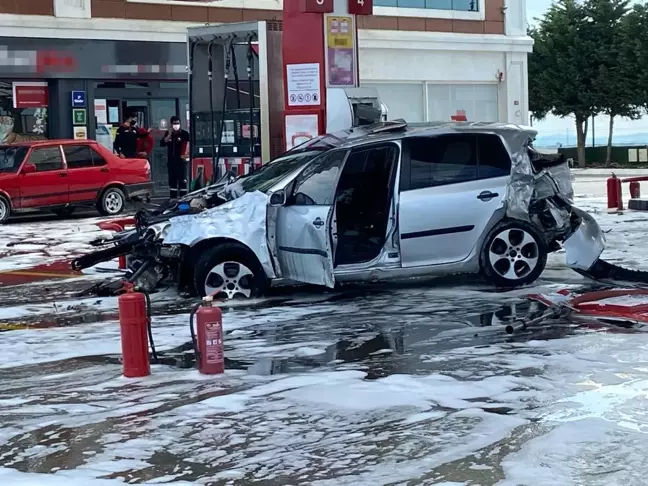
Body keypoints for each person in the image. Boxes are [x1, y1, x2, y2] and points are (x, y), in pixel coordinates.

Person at [160, 116, 190, 199]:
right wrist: (169, 134)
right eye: (174, 123)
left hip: (181, 162)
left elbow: (188, 145)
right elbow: (162, 143)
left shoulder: (184, 134)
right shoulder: (169, 134)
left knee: (182, 181)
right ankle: (173, 198)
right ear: (171, 124)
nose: (176, 125)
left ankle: (183, 198)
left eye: (178, 123)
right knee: (173, 181)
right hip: (171, 162)